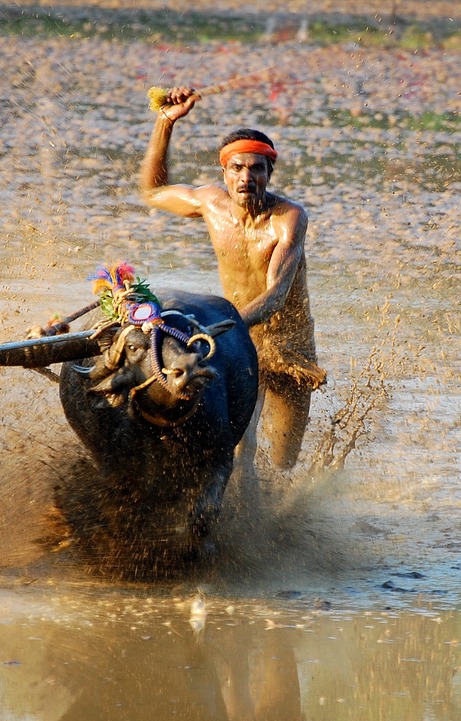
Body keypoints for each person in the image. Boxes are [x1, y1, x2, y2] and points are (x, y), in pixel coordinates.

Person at [139, 86, 325, 472]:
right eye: (237, 168)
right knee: (241, 447)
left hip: (287, 348)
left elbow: (275, 296)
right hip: (238, 342)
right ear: (223, 172)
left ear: (269, 173)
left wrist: (217, 328)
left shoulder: (288, 219)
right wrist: (166, 122)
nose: (246, 178)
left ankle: (279, 519)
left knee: (282, 463)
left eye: (256, 169)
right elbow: (153, 191)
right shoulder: (210, 203)